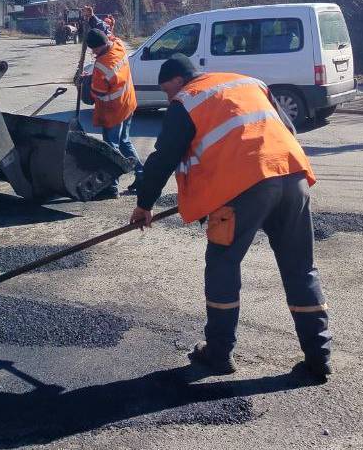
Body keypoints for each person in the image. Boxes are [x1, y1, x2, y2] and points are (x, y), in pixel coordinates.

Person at [130, 54, 332, 381]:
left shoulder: (186, 101)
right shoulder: (248, 83)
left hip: (241, 190)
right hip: (291, 175)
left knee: (223, 264)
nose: (169, 98)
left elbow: (164, 157)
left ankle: (219, 353)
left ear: (180, 81)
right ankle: (319, 356)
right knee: (301, 268)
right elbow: (288, 129)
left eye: (168, 91)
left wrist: (144, 204)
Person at [80, 28, 143, 198]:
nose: (93, 53)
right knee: (125, 142)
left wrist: (86, 81)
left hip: (114, 111)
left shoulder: (101, 65)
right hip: (128, 103)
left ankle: (112, 187)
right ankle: (142, 175)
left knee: (111, 148)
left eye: (94, 50)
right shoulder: (118, 45)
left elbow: (97, 94)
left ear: (97, 47)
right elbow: (109, 33)